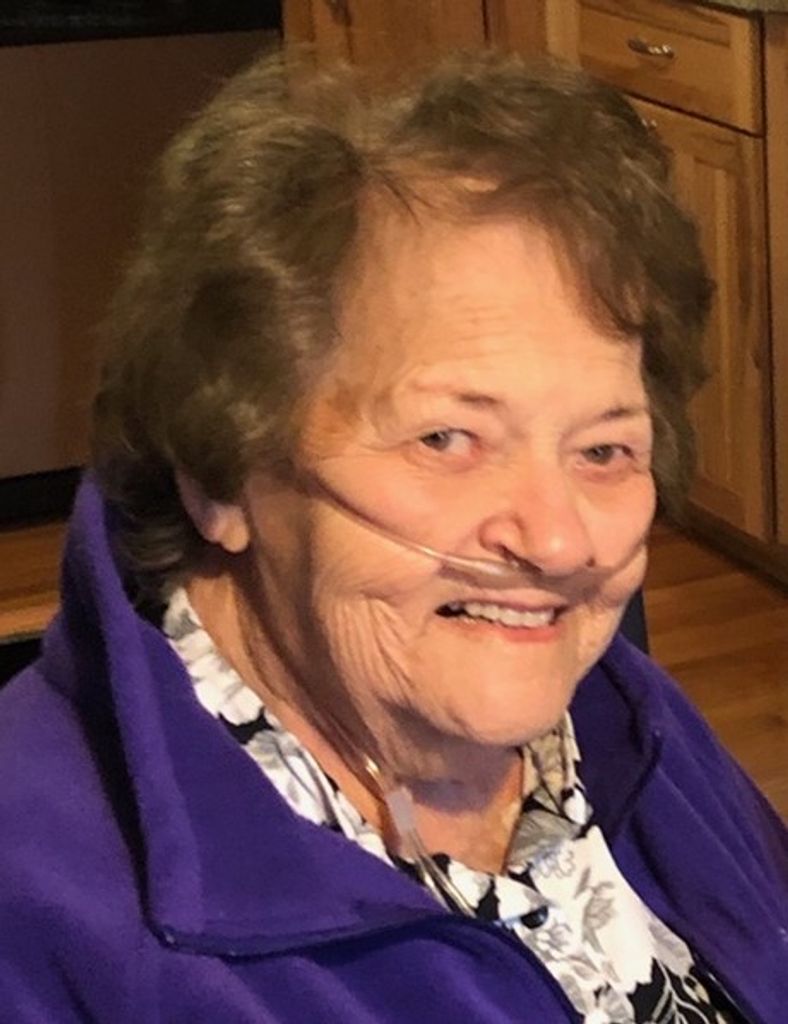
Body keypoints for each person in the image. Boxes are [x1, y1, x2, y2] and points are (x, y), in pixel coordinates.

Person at [0, 50, 785, 1024]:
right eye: (446, 439)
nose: (557, 542)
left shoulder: (622, 715)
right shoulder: (43, 918)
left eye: (602, 449)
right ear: (220, 472)